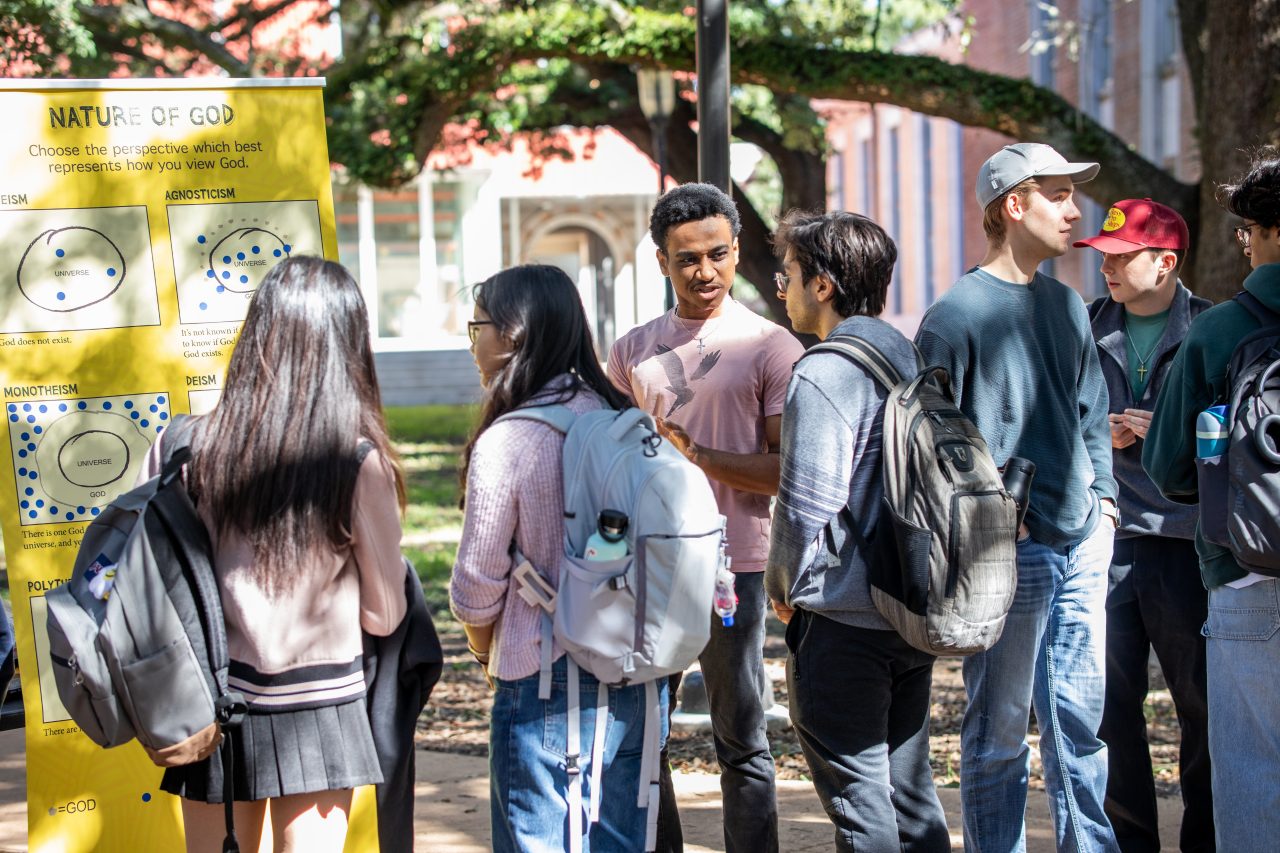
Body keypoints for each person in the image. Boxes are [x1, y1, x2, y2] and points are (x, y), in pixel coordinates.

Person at [144, 256, 409, 853]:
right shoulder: (357, 462)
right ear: (347, 346)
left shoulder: (178, 445)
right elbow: (384, 616)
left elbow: (153, 581)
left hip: (206, 701)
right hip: (319, 708)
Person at [915, 142, 1120, 852]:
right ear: (1013, 204)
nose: (1075, 211)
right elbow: (930, 453)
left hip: (1083, 539)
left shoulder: (1067, 305)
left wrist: (1108, 513)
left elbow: (1092, 413)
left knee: (1078, 725)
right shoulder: (953, 317)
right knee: (1000, 730)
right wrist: (986, 537)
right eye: (1058, 195)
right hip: (1007, 557)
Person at [607, 183, 801, 853]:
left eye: (718, 254)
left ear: (737, 251)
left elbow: (787, 468)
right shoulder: (629, 351)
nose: (705, 272)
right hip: (647, 567)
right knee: (641, 738)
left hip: (735, 569)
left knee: (741, 737)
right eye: (686, 258)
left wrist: (700, 456)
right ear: (661, 261)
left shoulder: (770, 346)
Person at [449, 264, 665, 852]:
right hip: (636, 669)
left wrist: (479, 644)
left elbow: (475, 586)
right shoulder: (625, 420)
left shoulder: (511, 440)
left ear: (513, 334)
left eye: (478, 327)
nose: (474, 343)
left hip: (543, 675)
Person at [765, 210, 950, 852]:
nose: (779, 287)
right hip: (909, 605)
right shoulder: (904, 353)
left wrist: (782, 583)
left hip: (843, 619)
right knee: (909, 794)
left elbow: (806, 503)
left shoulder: (825, 371)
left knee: (859, 798)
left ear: (822, 285)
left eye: (787, 273)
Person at [1143, 148, 1280, 852]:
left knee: (1253, 771)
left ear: (1267, 232)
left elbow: (1168, 468)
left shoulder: (1218, 331)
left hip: (1245, 572)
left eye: (1247, 232)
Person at [1077, 199, 1214, 853]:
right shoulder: (1079, 326)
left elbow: (1242, 441)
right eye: (1104, 256)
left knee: (1203, 708)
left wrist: (1170, 435)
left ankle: (1206, 838)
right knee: (1108, 708)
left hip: (1188, 543)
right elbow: (1051, 426)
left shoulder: (1214, 330)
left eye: (1122, 256)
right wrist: (1088, 436)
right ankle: (1130, 842)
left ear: (1165, 261)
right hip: (1105, 536)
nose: (1108, 268)